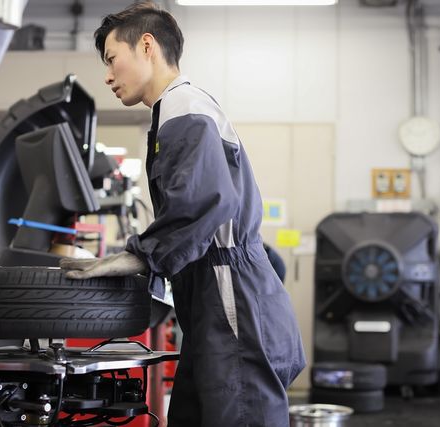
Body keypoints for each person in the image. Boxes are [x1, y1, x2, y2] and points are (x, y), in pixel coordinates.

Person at [60, 2, 305, 426]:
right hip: (214, 297)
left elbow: (204, 203)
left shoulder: (183, 106)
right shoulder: (175, 109)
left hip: (231, 297)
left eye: (112, 59)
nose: (107, 75)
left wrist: (141, 255)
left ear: (147, 46)